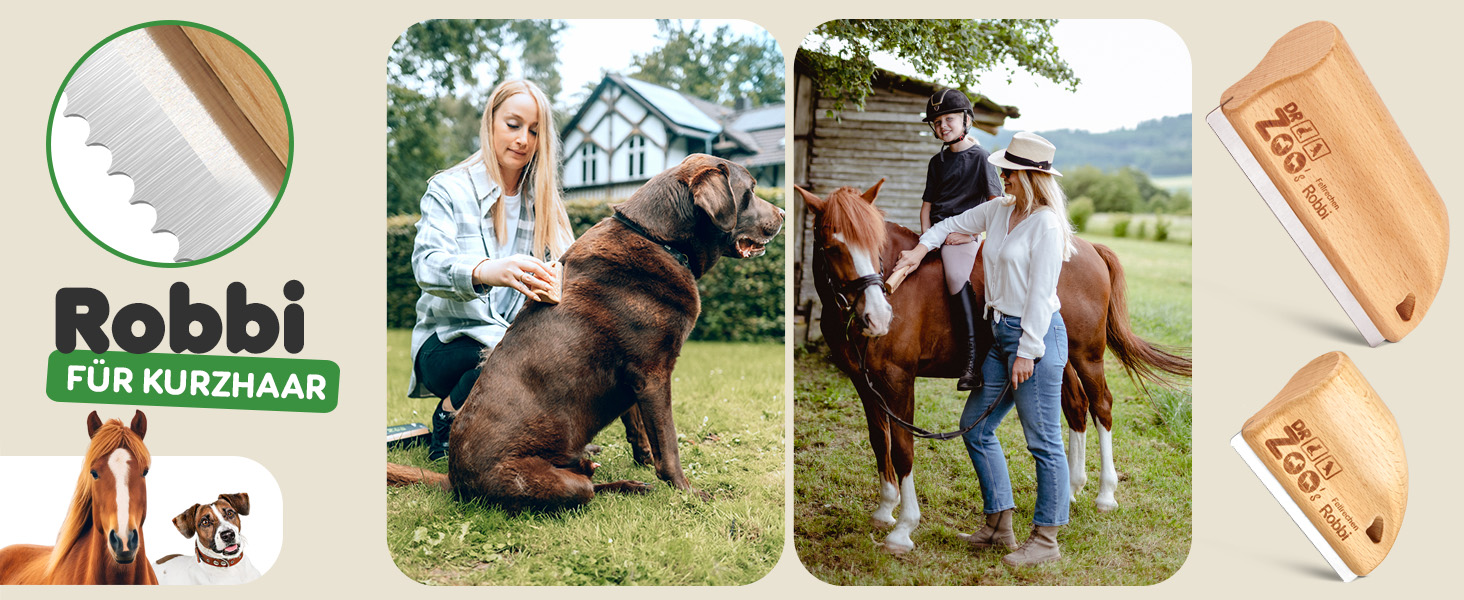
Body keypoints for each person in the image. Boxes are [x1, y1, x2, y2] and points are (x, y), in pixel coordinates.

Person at [893, 132, 1076, 567]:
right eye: (1002, 170)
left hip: (1037, 337)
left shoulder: (1046, 224)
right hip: (1000, 334)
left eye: (1008, 172)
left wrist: (1028, 352)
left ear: (1031, 177)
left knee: (1044, 441)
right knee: (975, 428)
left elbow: (1040, 292)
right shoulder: (999, 211)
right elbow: (948, 225)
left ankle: (1046, 540)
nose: (1001, 177)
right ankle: (999, 525)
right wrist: (919, 252)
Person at [408, 79, 575, 462]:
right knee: (502, 351)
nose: (523, 139)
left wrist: (557, 283)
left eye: (534, 131)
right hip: (448, 345)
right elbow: (427, 265)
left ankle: (534, 436)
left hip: (512, 341)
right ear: (490, 123)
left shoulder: (544, 201)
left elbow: (570, 268)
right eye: (513, 125)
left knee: (553, 350)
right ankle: (448, 419)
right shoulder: (448, 190)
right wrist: (488, 270)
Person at [919, 89, 1004, 391]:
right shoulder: (937, 162)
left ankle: (972, 361)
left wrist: (970, 233)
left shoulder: (982, 158)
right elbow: (927, 207)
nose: (943, 126)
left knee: (956, 275)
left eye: (949, 119)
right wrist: (926, 239)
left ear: (966, 120)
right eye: (937, 122)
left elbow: (996, 203)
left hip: (963, 236)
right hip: (937, 233)